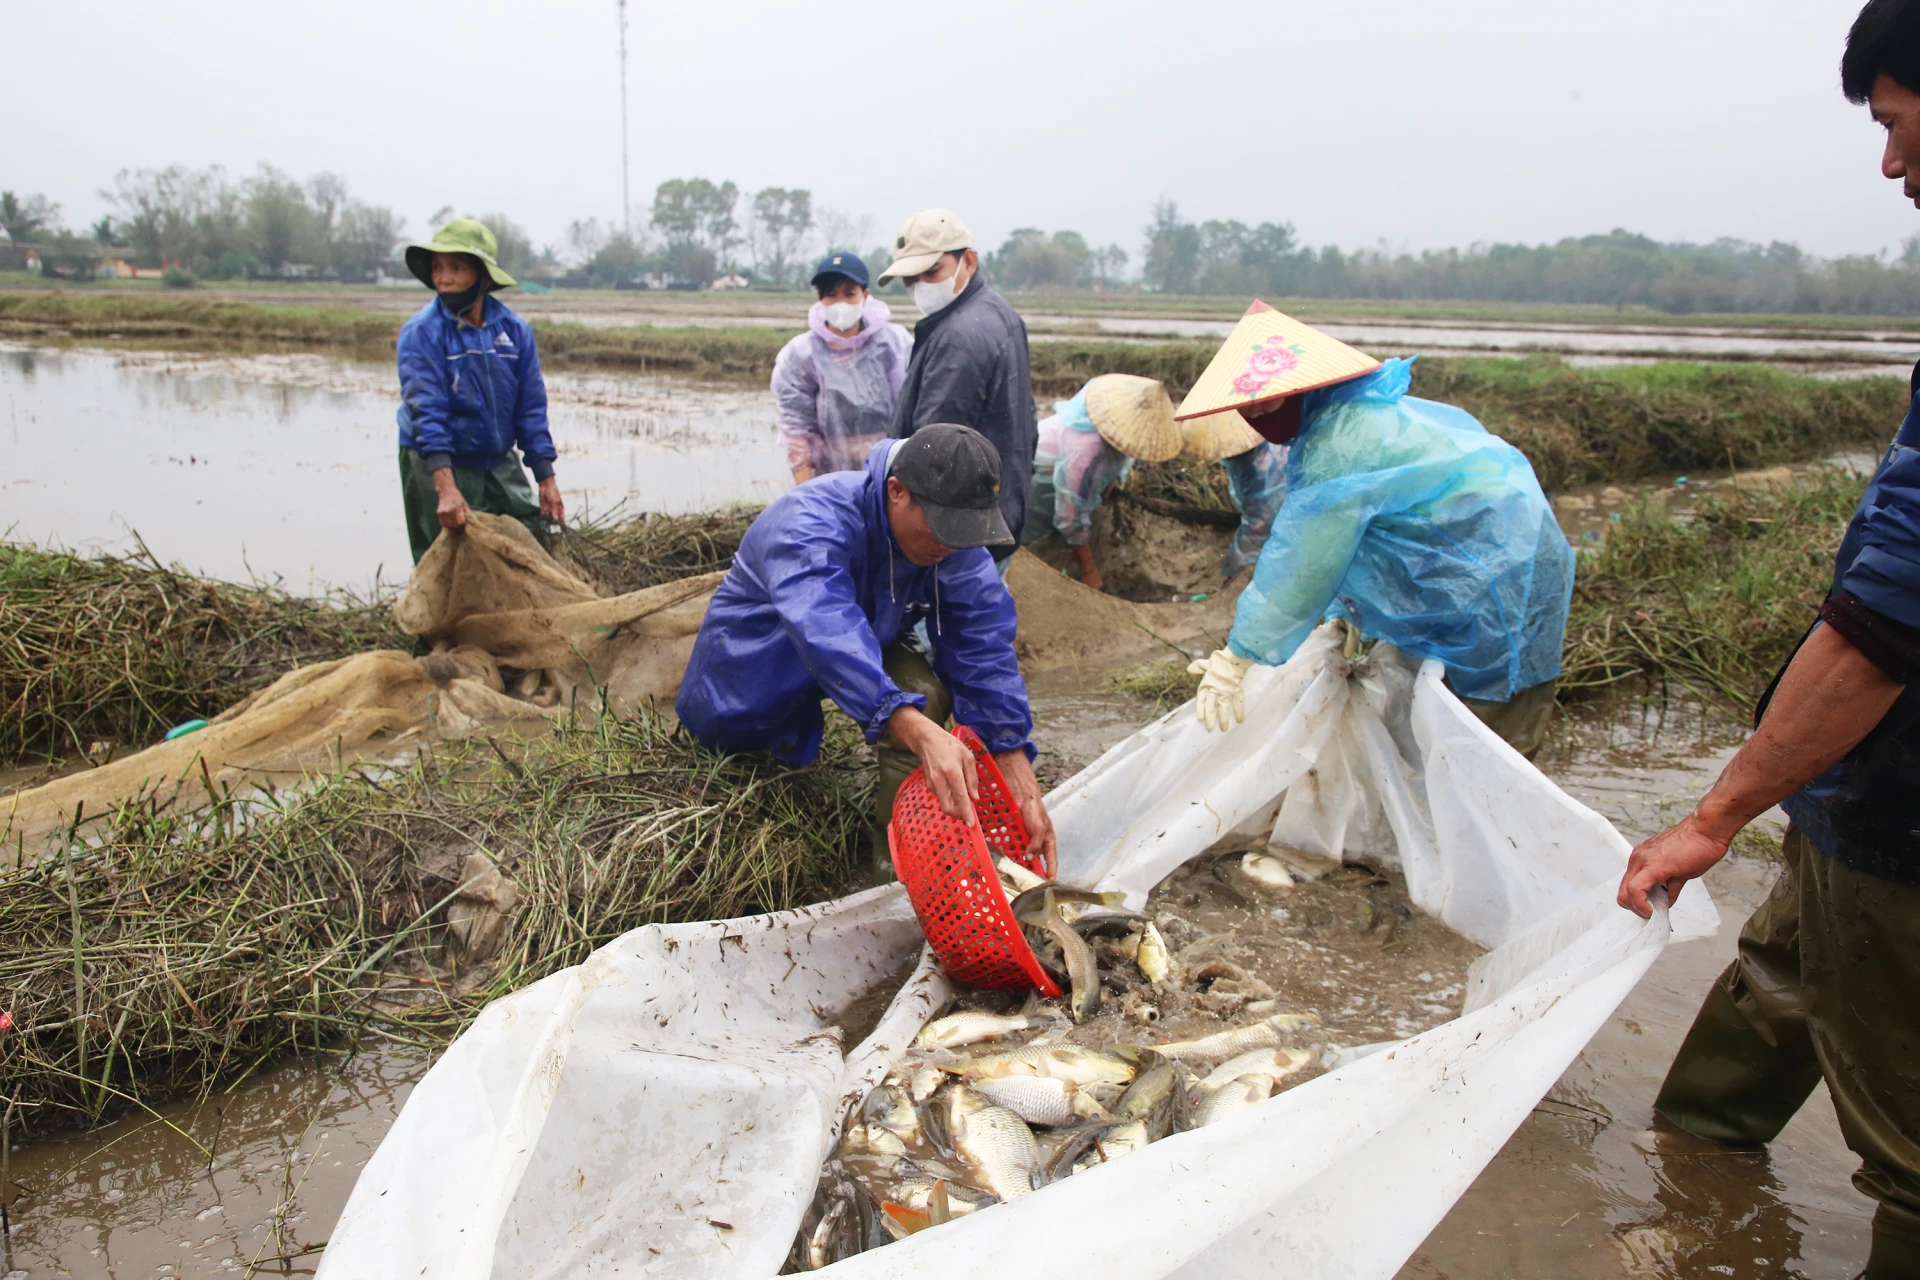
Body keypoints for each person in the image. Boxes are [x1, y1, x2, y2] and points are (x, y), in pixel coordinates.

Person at [1616, 7, 1920, 1273]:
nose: (1895, 166)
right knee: (1781, 967)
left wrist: (1717, 808)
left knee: (1909, 1149)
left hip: (1903, 806)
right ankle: (1693, 1176)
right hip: (1852, 786)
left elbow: (1886, 620)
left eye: (1899, 124)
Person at [1179, 302, 1573, 756]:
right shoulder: (1345, 419)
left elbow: (1306, 560)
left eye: (1265, 402)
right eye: (1246, 406)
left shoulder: (1342, 440)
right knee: (1426, 733)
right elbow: (1369, 537)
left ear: (1305, 389)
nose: (1256, 417)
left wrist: (1240, 655)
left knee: (1484, 744)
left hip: (1500, 578)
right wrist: (1344, 611)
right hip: (1466, 574)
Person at [676, 424, 1056, 878]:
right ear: (897, 491)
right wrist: (909, 724)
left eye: (964, 532)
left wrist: (1011, 758)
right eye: (943, 529)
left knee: (924, 696)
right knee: (735, 750)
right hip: (755, 659)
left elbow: (982, 643)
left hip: (863, 643)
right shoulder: (810, 523)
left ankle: (893, 863)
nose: (951, 545)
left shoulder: (949, 545)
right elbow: (825, 629)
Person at [395, 218, 562, 563]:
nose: (444, 278)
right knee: (447, 562)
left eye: (456, 267)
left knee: (526, 540)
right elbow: (427, 412)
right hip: (438, 460)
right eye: (438, 268)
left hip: (496, 458)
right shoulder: (422, 333)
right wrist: (445, 486)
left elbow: (530, 408)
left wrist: (545, 478)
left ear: (483, 277)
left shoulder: (514, 332)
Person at [878, 209, 1038, 566]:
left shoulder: (957, 339)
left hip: (951, 535)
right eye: (910, 277)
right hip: (995, 517)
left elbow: (933, 454)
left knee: (938, 620)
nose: (920, 285)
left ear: (968, 260)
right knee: (979, 616)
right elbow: (1027, 420)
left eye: (932, 271)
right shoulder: (1001, 314)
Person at [1018, 374, 1183, 591]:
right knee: (1028, 552)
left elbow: (1122, 458)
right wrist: (1089, 571)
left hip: (1061, 484)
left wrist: (1114, 479)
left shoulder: (1119, 433)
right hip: (1035, 490)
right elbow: (1070, 517)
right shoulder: (1085, 452)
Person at [773, 252, 913, 485]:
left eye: (850, 294)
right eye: (831, 295)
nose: (841, 303)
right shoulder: (801, 355)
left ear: (865, 295)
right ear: (819, 297)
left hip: (890, 476)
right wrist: (807, 499)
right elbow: (798, 433)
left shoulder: (893, 345)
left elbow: (910, 415)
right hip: (829, 481)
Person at [1175, 407, 1292, 579]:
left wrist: (1234, 567)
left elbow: (1258, 521)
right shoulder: (1262, 435)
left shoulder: (1249, 467)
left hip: (1281, 513)